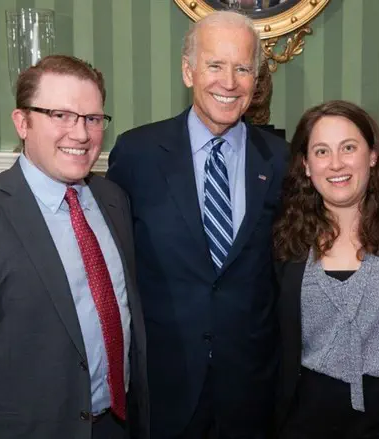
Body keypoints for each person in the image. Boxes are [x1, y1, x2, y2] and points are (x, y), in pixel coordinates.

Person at [0, 54, 149, 439]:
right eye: (60, 115)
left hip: (115, 426)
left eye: (92, 118)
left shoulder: (113, 200)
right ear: (22, 122)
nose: (81, 134)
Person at [107, 10, 288, 439]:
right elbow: (115, 268)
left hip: (252, 390)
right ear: (188, 71)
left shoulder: (282, 159)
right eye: (215, 65)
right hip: (166, 389)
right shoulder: (136, 154)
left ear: (256, 79)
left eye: (243, 68)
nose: (229, 82)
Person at [272, 100, 379, 439]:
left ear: (372, 155)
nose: (336, 163)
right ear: (306, 165)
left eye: (348, 148)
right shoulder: (286, 239)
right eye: (321, 152)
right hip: (308, 417)